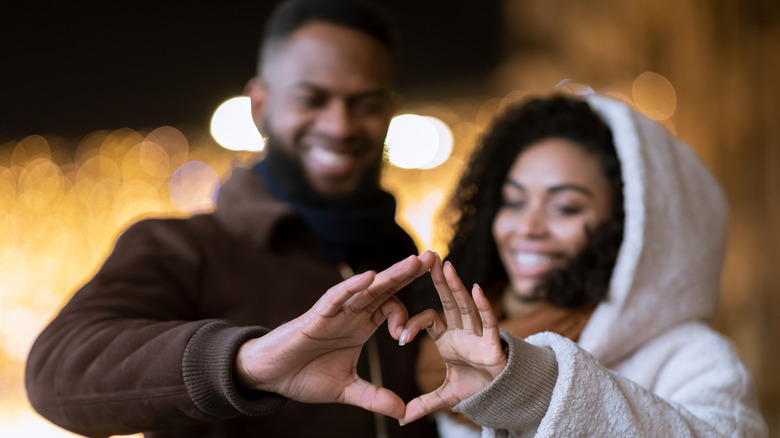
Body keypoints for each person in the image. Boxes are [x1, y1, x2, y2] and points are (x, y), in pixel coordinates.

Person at [24, 0, 439, 436]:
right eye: (311, 99)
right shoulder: (181, 248)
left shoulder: (404, 261)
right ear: (260, 107)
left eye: (366, 104)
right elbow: (56, 373)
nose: (340, 125)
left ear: (389, 111)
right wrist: (246, 363)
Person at [397, 94, 768, 436]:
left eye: (566, 208)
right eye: (513, 202)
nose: (528, 227)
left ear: (628, 227)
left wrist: (534, 390)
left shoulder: (692, 357)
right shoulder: (441, 348)